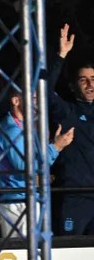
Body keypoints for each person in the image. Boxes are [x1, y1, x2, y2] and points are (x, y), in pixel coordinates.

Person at [0, 89, 73, 237]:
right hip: (18, 201)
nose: (37, 104)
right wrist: (56, 147)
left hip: (26, 198)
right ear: (16, 101)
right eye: (33, 99)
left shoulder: (23, 127)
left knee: (33, 253)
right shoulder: (12, 129)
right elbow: (25, 167)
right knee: (24, 254)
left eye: (38, 99)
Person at [47, 23, 94, 235]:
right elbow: (44, 92)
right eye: (83, 80)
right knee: (70, 256)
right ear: (74, 86)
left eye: (93, 79)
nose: (90, 84)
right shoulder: (68, 112)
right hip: (76, 197)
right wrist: (61, 56)